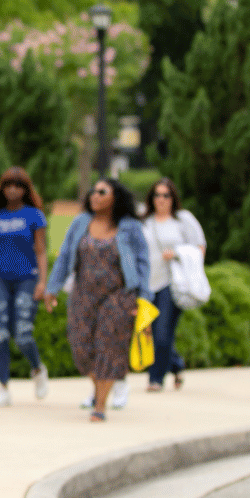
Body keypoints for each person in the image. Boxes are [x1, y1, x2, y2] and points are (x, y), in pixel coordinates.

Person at [45, 177, 151, 422]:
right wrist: (52, 288)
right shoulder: (80, 222)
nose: (95, 195)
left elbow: (143, 263)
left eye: (102, 192)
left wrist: (143, 299)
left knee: (109, 346)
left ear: (116, 197)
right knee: (81, 348)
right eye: (93, 191)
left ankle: (100, 405)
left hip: (119, 295)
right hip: (83, 294)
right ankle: (100, 389)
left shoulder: (130, 227)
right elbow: (64, 256)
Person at [0, 167, 51, 407]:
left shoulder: (34, 215)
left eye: (18, 185)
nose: (12, 190)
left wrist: (43, 282)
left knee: (22, 333)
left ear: (25, 189)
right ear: (2, 189)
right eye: (8, 185)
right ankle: (2, 387)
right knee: (0, 333)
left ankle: (37, 368)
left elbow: (41, 251)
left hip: (27, 279)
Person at [141, 178, 205, 393]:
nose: (161, 199)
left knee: (162, 333)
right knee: (152, 334)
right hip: (148, 284)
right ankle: (176, 364)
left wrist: (177, 253)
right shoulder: (145, 222)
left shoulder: (183, 220)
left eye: (165, 195)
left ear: (173, 198)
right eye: (157, 195)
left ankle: (155, 379)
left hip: (171, 283)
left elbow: (199, 247)